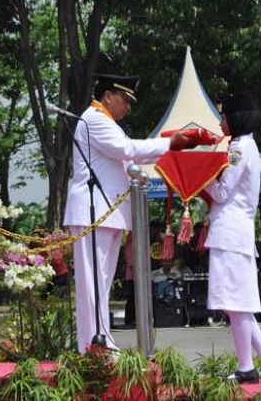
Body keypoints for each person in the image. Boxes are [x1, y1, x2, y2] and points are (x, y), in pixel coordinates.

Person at [63, 74, 195, 353]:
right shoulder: (95, 119)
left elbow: (128, 153)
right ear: (108, 96)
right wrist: (169, 144)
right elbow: (127, 150)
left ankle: (100, 341)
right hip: (93, 210)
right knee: (93, 282)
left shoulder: (106, 122)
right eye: (125, 100)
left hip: (104, 211)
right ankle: (92, 344)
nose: (128, 107)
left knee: (101, 281)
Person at [204, 93, 261, 390]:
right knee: (235, 304)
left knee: (235, 303)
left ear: (236, 118)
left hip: (230, 233)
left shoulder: (238, 149)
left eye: (224, 116)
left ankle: (247, 367)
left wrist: (200, 179)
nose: (220, 121)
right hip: (235, 233)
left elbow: (223, 191)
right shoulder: (246, 146)